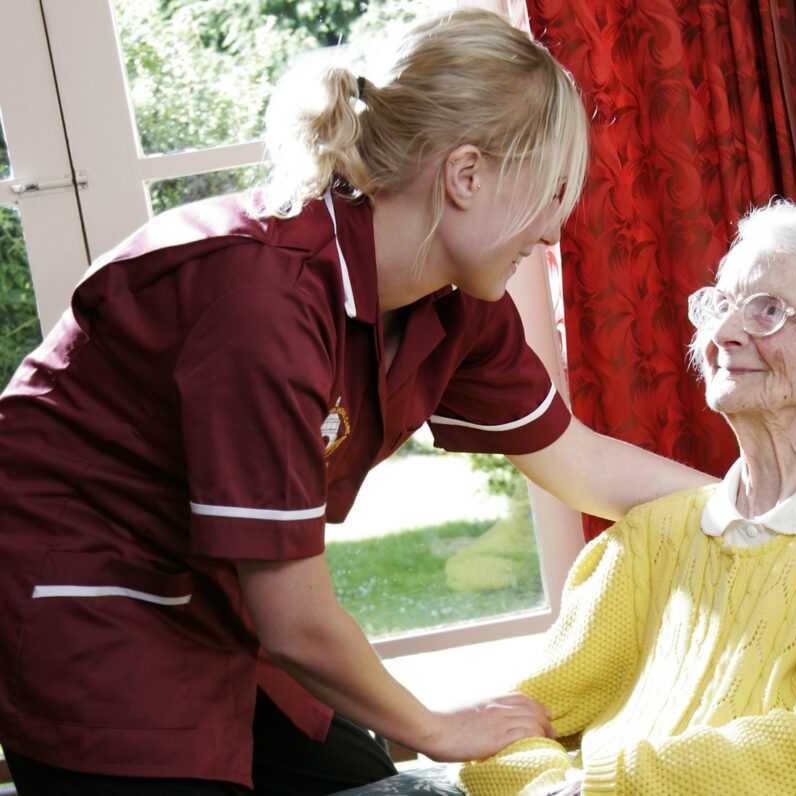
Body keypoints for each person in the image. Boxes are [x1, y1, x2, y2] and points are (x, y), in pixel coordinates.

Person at [0, 9, 715, 796]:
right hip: (84, 594)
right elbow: (297, 621)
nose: (553, 232)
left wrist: (774, 506)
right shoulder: (261, 303)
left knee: (360, 776)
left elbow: (578, 461)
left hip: (219, 592)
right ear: (465, 174)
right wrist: (439, 727)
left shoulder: (454, 298)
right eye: (549, 195)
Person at [455, 202, 796, 796]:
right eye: (720, 305)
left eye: (769, 310)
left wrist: (604, 788)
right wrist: (548, 789)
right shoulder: (647, 539)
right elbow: (507, 727)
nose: (724, 333)